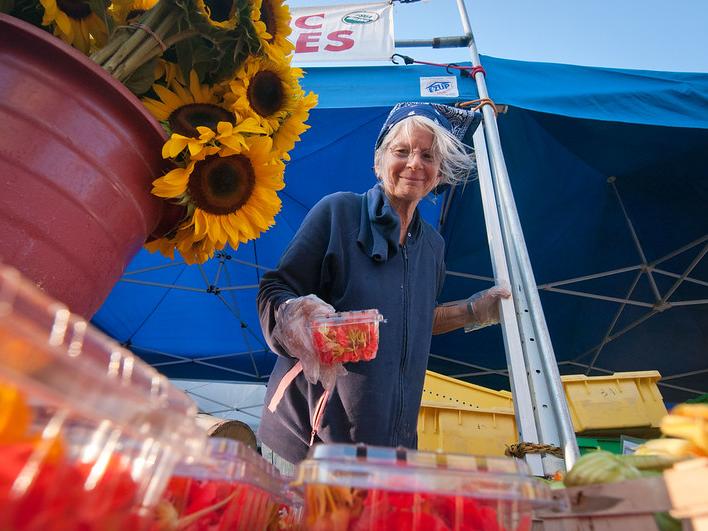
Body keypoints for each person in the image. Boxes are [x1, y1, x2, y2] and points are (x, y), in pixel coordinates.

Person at [257, 102, 511, 472]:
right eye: (402, 151)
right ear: (378, 161)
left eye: (428, 155)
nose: (414, 164)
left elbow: (411, 322)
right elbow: (274, 290)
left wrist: (473, 312)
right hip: (311, 444)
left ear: (440, 172)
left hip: (388, 453)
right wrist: (297, 319)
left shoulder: (432, 246)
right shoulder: (339, 213)